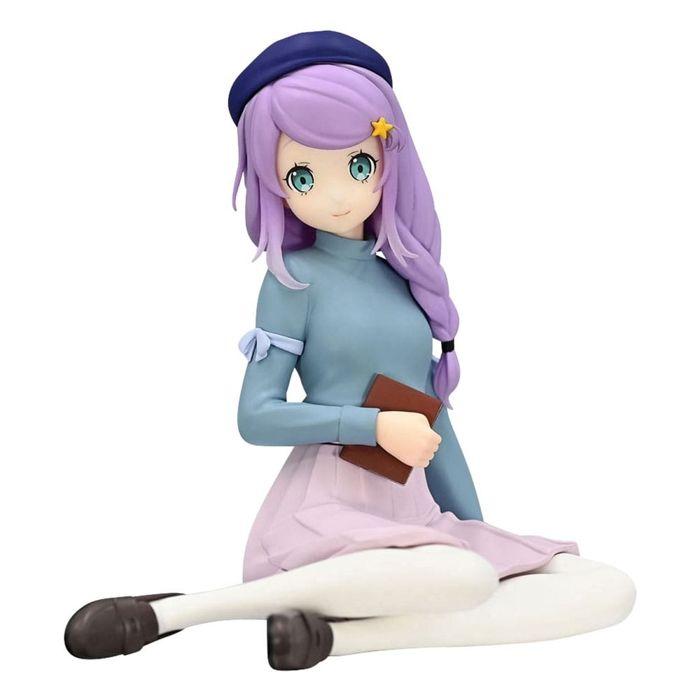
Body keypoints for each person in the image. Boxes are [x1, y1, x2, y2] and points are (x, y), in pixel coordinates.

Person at [65, 31, 635, 671]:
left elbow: (433, 419)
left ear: (389, 158)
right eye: (303, 176)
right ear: (276, 184)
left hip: (413, 510)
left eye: (358, 166)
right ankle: (177, 612)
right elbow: (256, 416)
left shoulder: (407, 280)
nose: (337, 195)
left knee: (603, 587)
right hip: (327, 508)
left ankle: (330, 639)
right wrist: (373, 426)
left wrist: (477, 528)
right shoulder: (293, 281)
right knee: (461, 578)